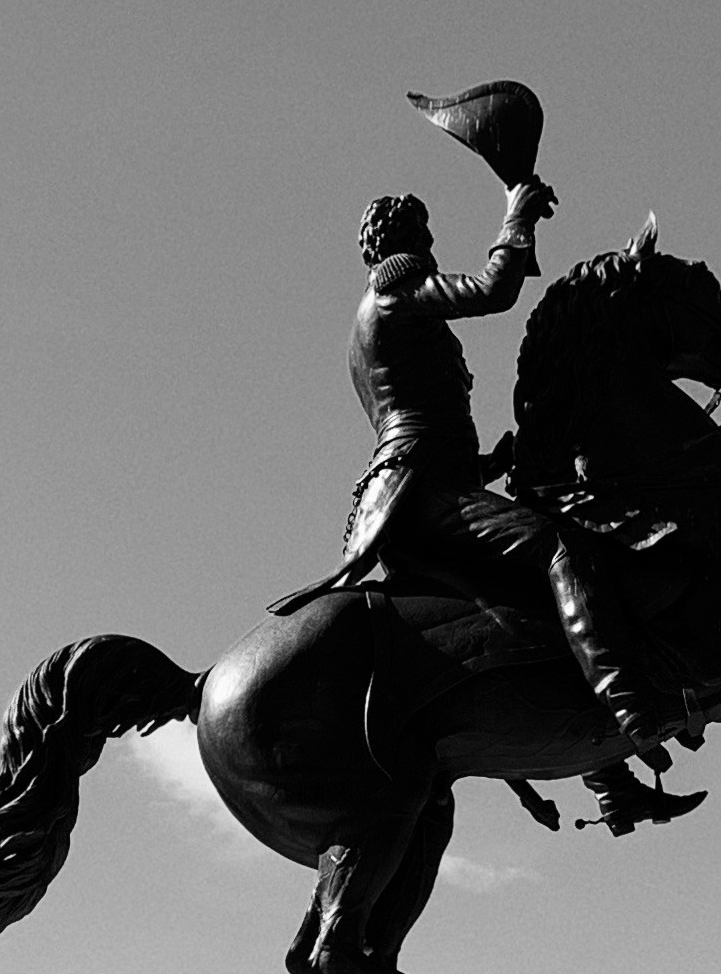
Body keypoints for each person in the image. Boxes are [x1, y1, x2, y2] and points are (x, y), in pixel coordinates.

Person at [279, 178, 695, 765]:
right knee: (559, 549)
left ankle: (605, 774)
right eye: (424, 235)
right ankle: (631, 705)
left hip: (419, 490)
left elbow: (416, 420)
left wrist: (491, 464)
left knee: (528, 592)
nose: (429, 247)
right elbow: (492, 290)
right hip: (425, 495)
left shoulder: (369, 326)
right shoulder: (394, 281)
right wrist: (516, 217)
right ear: (402, 239)